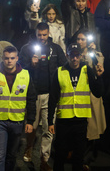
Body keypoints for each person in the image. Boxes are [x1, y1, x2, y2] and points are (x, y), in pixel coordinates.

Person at [48, 43, 104, 171]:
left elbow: (98, 92)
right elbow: (53, 98)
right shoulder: (60, 72)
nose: (74, 58)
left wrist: (99, 77)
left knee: (78, 157)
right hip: (63, 121)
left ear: (81, 56)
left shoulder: (87, 70)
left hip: (80, 120)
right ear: (67, 55)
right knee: (60, 155)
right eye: (72, 55)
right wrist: (50, 121)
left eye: (77, 55)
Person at [0, 46, 37, 171]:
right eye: (6, 58)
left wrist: (31, 121)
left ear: (17, 58)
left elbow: (32, 99)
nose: (9, 61)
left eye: (12, 58)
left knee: (11, 156)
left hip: (17, 122)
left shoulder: (26, 75)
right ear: (2, 58)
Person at [19, 22, 66, 170]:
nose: (42, 38)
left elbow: (64, 66)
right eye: (39, 35)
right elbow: (19, 68)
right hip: (33, 94)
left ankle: (44, 159)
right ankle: (29, 147)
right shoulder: (27, 49)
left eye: (44, 35)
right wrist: (30, 64)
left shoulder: (56, 49)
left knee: (48, 128)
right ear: (36, 33)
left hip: (50, 94)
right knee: (31, 126)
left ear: (49, 33)